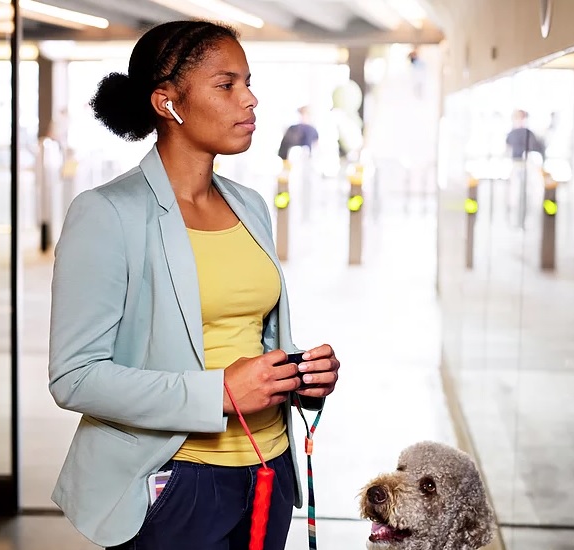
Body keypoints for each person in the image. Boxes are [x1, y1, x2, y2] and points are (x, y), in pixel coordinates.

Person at [47, 20, 341, 550]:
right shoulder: (108, 213)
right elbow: (75, 377)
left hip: (269, 470)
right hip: (178, 477)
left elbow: (250, 336)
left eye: (248, 82)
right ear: (168, 103)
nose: (249, 100)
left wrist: (299, 374)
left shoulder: (249, 204)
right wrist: (221, 393)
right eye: (227, 85)